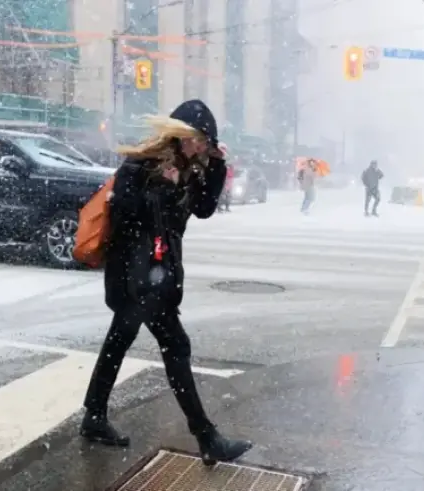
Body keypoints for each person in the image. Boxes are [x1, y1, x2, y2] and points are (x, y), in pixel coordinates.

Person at [80, 99, 252, 466]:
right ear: (183, 135)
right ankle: (206, 437)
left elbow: (204, 209)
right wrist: (163, 191)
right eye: (201, 140)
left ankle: (94, 415)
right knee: (176, 345)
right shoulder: (141, 165)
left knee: (118, 341)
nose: (203, 147)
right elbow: (126, 213)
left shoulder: (188, 169)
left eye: (207, 143)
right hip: (137, 276)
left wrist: (217, 166)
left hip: (155, 272)